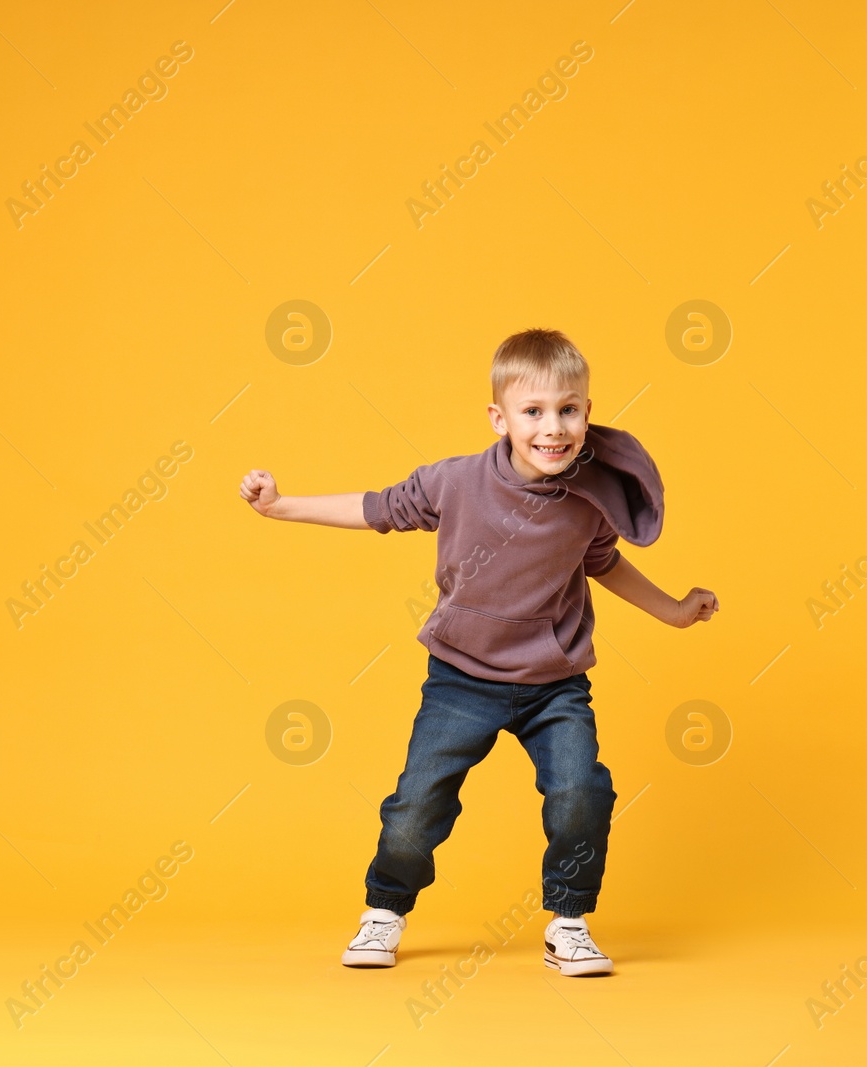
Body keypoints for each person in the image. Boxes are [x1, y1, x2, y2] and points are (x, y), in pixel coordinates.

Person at [239, 328, 719, 977]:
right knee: (419, 801)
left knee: (582, 791)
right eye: (534, 411)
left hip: (555, 683)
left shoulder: (590, 500)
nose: (554, 427)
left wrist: (673, 610)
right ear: (499, 417)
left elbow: (606, 564)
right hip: (462, 677)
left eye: (570, 409)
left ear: (587, 412)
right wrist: (280, 506)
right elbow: (377, 508)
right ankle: (385, 908)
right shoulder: (456, 481)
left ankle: (569, 922)